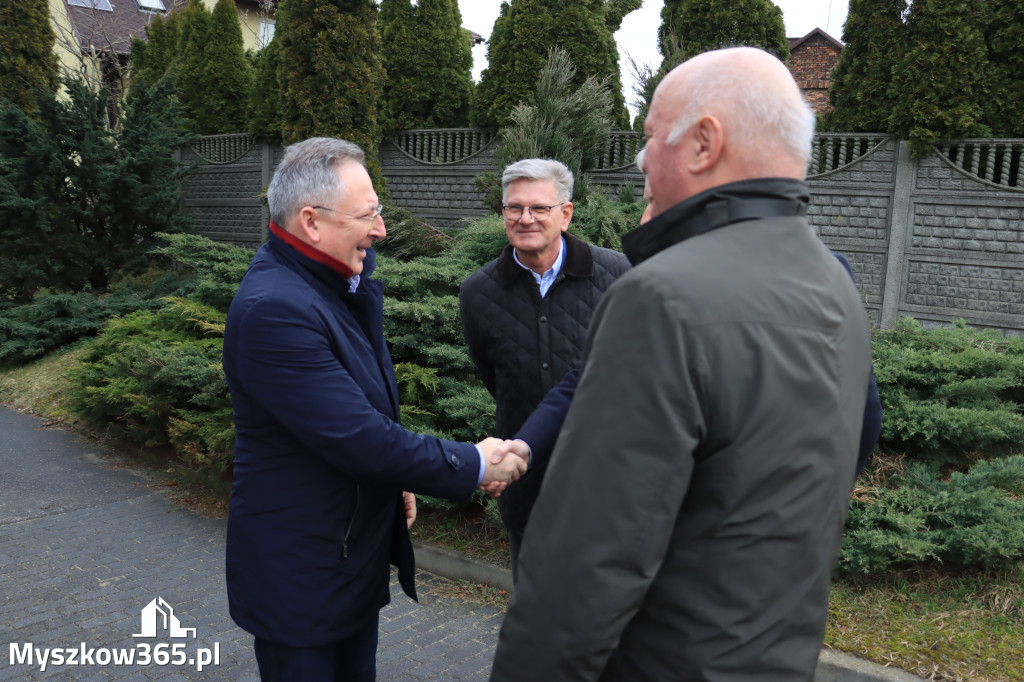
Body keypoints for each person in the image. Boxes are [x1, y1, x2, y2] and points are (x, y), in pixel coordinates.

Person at [490, 47, 876, 681]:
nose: (642, 161)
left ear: (703, 143)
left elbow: (591, 559)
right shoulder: (834, 284)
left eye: (650, 138)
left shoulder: (661, 295)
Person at [221, 137, 527, 682]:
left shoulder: (335, 286)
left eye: (379, 212)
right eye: (368, 215)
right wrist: (476, 464)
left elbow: (359, 412)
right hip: (302, 579)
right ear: (311, 222)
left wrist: (396, 479)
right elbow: (358, 437)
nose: (381, 229)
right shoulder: (277, 311)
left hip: (345, 562)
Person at [459, 158, 630, 579]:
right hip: (527, 486)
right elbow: (496, 379)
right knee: (535, 620)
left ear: (566, 214)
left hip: (608, 482)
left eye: (539, 208)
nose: (525, 218)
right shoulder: (478, 293)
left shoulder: (618, 276)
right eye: (514, 208)